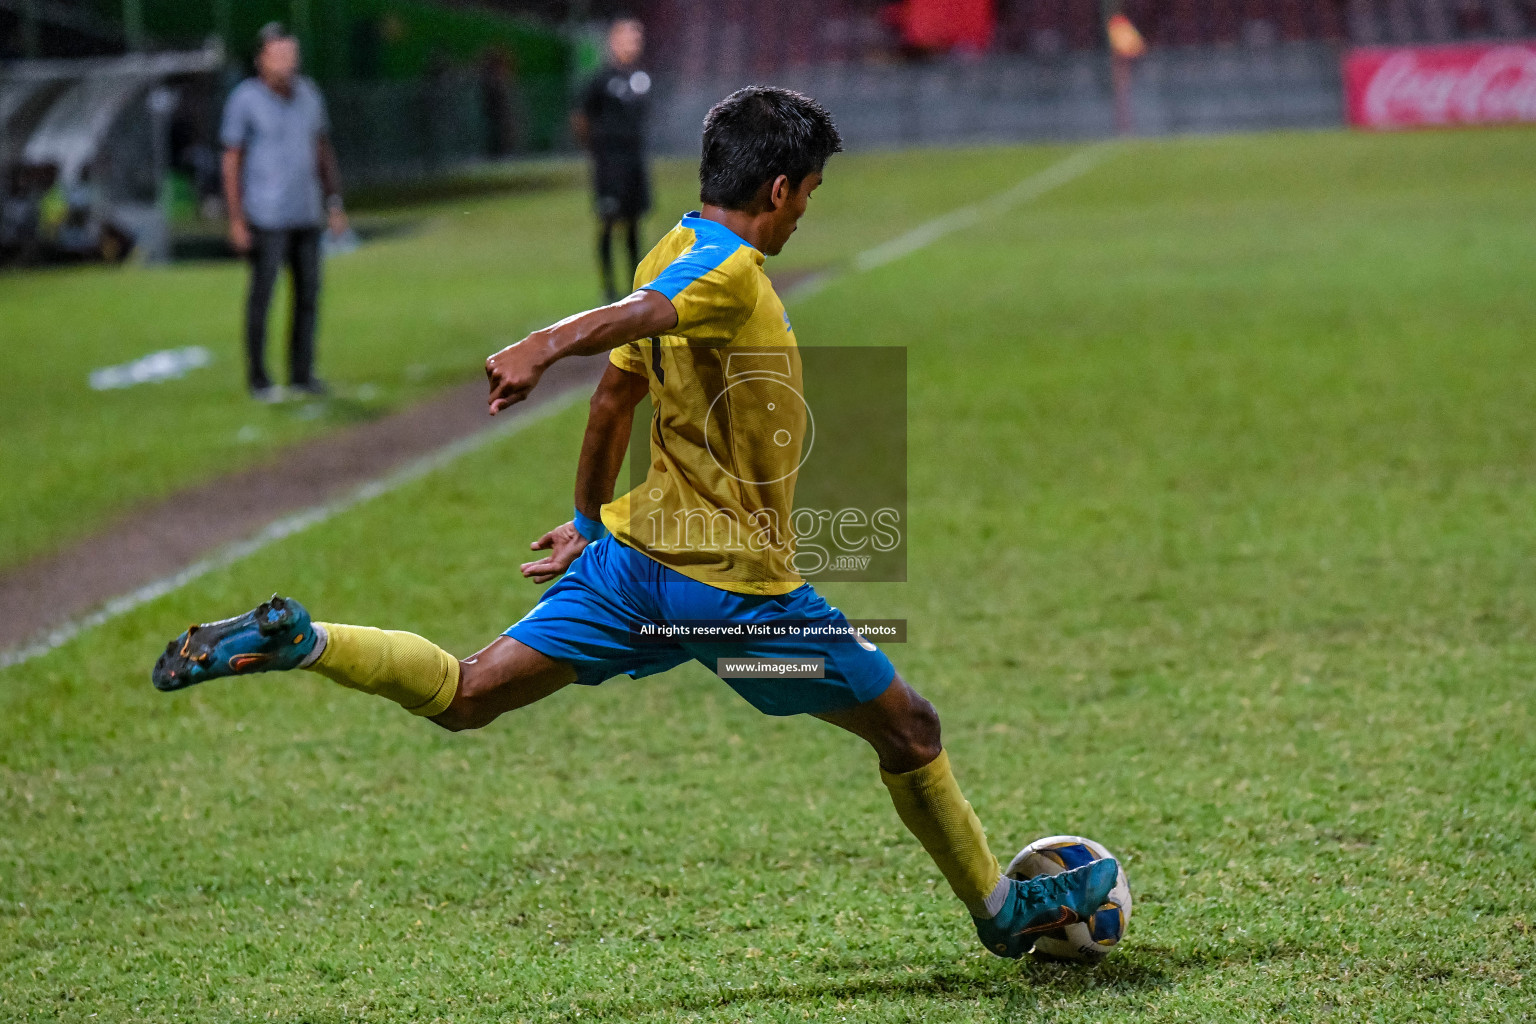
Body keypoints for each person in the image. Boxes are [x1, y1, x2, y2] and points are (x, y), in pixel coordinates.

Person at [151, 86, 1118, 960]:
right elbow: (632, 322)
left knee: (470, 691)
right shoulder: (727, 271)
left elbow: (614, 405)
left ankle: (303, 640)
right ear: (779, 189)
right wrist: (543, 343)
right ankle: (1001, 915)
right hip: (738, 600)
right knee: (909, 728)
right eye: (812, 193)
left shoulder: (672, 244)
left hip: (635, 574)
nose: (808, 210)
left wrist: (588, 523)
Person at [220, 22, 348, 402]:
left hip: (305, 211)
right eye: (278, 55)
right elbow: (231, 161)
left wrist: (334, 202)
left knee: (308, 296)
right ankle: (259, 378)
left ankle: (301, 374)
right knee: (263, 297)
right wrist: (237, 218)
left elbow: (322, 151)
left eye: (291, 54)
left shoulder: (309, 95)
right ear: (261, 60)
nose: (287, 62)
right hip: (266, 216)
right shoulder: (245, 100)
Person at [572, 18, 652, 303]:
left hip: (634, 160)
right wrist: (595, 148)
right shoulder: (601, 79)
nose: (634, 43)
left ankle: (635, 284)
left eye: (637, 39)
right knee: (608, 221)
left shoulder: (641, 78)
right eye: (629, 37)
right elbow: (581, 117)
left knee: (633, 222)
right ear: (613, 41)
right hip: (609, 162)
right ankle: (608, 287)